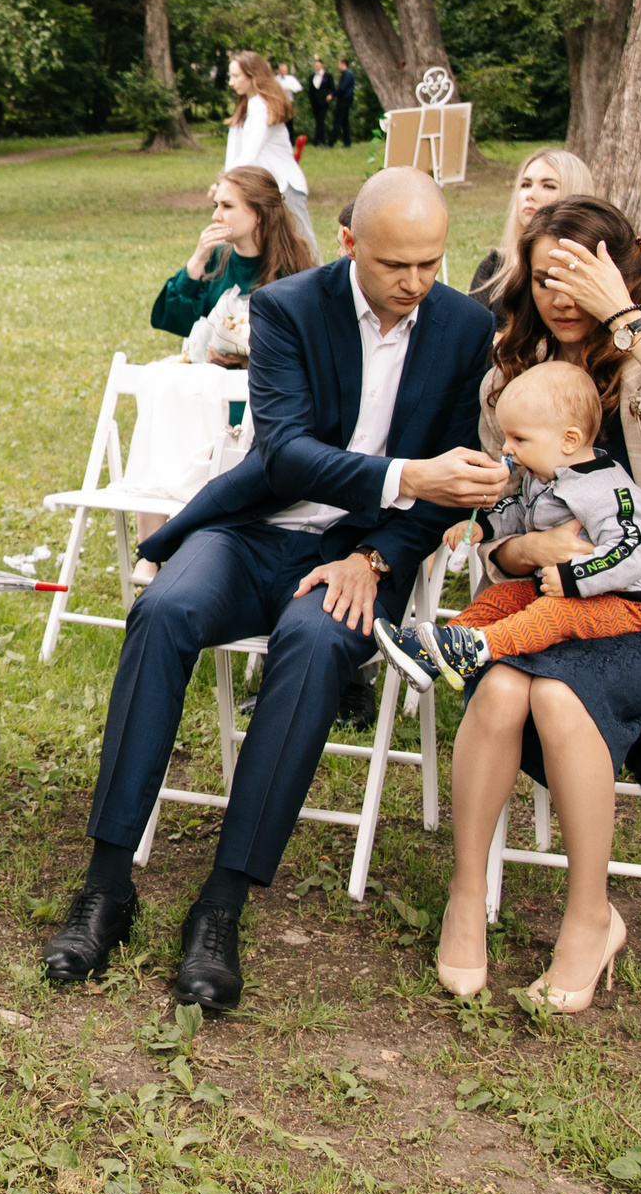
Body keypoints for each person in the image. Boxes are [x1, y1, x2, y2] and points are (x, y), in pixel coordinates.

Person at [39, 170, 504, 1005]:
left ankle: (221, 904)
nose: (417, 283)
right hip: (253, 530)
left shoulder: (466, 325)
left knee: (317, 642)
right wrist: (407, 473)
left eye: (432, 262)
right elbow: (286, 452)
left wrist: (379, 557)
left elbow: (454, 484)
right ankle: (106, 884)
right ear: (352, 240)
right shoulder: (289, 307)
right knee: (164, 610)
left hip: (364, 553)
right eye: (398, 263)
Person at [427, 197, 641, 1013]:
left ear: (619, 270)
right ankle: (467, 897)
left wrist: (629, 322)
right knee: (503, 685)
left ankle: (589, 915)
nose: (560, 295)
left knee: (562, 692)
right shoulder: (511, 381)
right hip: (541, 596)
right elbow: (494, 522)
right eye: (545, 277)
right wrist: (521, 550)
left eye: (579, 275)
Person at [376, 359, 641, 693]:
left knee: (553, 612)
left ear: (569, 440)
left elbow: (632, 550)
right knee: (503, 595)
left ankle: (476, 649)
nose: (507, 449)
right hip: (561, 588)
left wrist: (574, 576)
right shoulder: (543, 479)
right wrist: (483, 526)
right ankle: (435, 649)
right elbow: (519, 509)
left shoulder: (610, 490)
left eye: (519, 439)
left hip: (621, 603)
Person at [148, 163, 317, 352]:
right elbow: (173, 320)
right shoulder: (214, 260)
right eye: (215, 205)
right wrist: (197, 261)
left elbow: (305, 342)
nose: (215, 216)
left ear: (258, 214)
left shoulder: (293, 270)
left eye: (227, 206)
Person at [468, 147, 596, 303]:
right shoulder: (494, 267)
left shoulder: (592, 275)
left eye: (549, 186)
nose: (530, 195)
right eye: (525, 185)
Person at [222, 49, 313, 253]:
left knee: (305, 251)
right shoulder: (246, 107)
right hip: (266, 191)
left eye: (236, 76)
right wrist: (225, 183)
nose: (231, 82)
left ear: (253, 76)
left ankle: (326, 286)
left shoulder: (262, 107)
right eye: (231, 76)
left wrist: (226, 183)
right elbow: (235, 155)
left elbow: (249, 153)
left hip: (286, 188)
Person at [306, 57, 334, 148]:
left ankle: (315, 141)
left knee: (321, 121)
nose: (316, 67)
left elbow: (332, 89)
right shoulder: (312, 77)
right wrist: (311, 100)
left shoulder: (328, 76)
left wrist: (331, 96)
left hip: (324, 102)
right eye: (315, 65)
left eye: (318, 65)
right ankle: (321, 141)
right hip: (315, 103)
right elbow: (310, 90)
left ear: (322, 65)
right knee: (318, 121)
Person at [333, 58, 358, 147]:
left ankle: (331, 142)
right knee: (344, 122)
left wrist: (333, 94)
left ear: (344, 64)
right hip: (344, 99)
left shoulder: (348, 74)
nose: (338, 66)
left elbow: (342, 88)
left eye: (339, 64)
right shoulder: (346, 74)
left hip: (344, 100)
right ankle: (347, 142)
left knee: (337, 120)